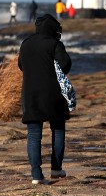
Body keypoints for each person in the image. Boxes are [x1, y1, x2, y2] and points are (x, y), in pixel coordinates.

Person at [18, 14, 72, 184]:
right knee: (58, 130)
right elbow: (65, 65)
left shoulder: (26, 44)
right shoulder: (54, 44)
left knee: (34, 135)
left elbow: (21, 65)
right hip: (53, 95)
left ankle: (36, 175)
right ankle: (56, 169)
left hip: (30, 95)